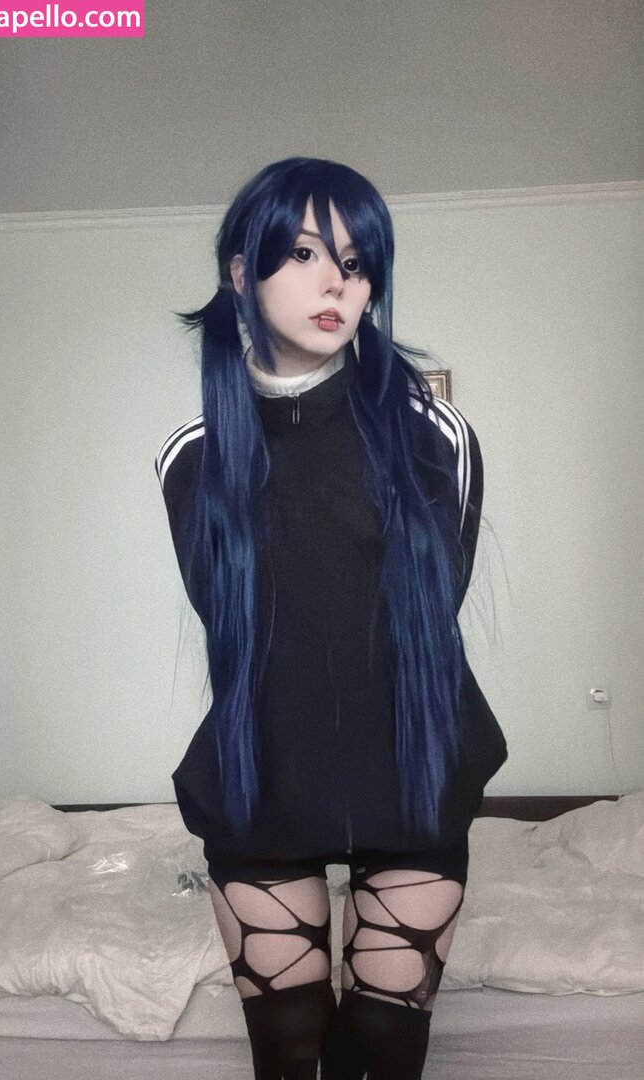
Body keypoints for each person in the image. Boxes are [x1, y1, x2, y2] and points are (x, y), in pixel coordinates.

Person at [155, 157, 507, 1079]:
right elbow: (242, 635)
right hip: (263, 778)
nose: (337, 283)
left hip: (412, 772)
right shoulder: (189, 460)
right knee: (286, 1050)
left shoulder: (437, 437)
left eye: (357, 262)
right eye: (306, 253)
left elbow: (427, 619)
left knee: (386, 1049)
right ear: (241, 271)